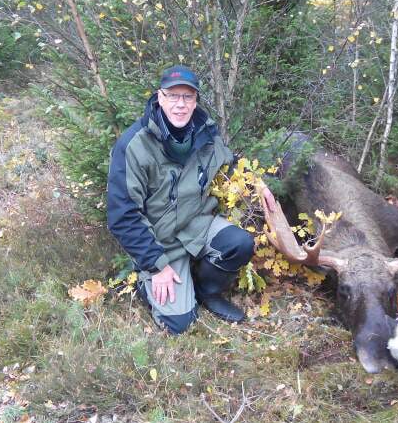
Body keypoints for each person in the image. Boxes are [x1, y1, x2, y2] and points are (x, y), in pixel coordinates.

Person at [106, 65, 275, 334]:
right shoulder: (134, 145)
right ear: (160, 98)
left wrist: (256, 182)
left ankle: (208, 291)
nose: (180, 105)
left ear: (195, 101)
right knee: (179, 323)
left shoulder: (206, 134)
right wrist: (156, 266)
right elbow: (122, 215)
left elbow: (228, 165)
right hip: (160, 240)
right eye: (173, 96)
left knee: (240, 244)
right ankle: (145, 280)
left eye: (188, 97)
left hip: (197, 224)